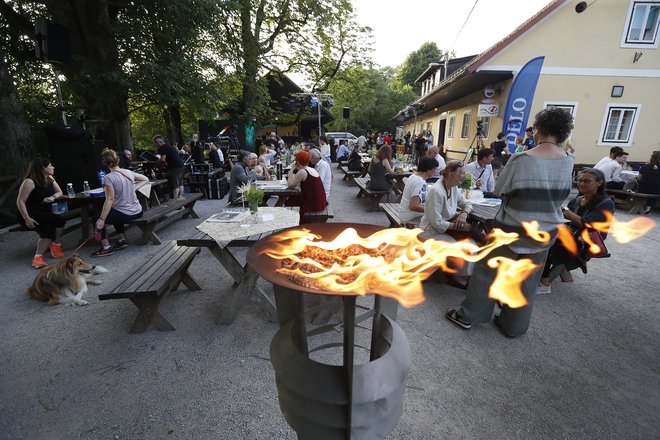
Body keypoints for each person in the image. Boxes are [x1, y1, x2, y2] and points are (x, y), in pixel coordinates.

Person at [446, 106, 575, 337]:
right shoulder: (568, 160)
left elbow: (500, 189)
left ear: (539, 128)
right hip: (545, 233)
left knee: (487, 274)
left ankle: (469, 316)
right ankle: (513, 325)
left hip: (511, 230)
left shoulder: (522, 158)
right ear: (563, 132)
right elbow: (563, 194)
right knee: (526, 281)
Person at [538, 168, 615, 293]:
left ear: (599, 183)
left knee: (548, 241)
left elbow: (588, 225)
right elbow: (565, 219)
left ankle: (545, 282)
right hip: (572, 236)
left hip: (586, 244)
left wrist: (565, 212)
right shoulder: (579, 199)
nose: (581, 184)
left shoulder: (606, 203)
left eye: (587, 181)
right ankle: (535, 273)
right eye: (579, 180)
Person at [419, 160, 475, 283]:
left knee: (472, 245)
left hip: (445, 230)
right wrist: (458, 226)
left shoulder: (453, 188)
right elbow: (437, 223)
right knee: (463, 247)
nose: (464, 176)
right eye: (461, 173)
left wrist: (464, 214)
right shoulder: (437, 191)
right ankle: (457, 275)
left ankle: (460, 274)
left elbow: (467, 203)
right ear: (450, 173)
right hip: (430, 232)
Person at [92, 149, 149, 257]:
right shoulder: (128, 172)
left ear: (104, 163)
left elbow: (109, 199)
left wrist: (101, 219)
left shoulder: (108, 178)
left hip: (126, 214)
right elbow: (145, 179)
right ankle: (121, 240)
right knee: (114, 211)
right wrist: (134, 188)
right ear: (118, 160)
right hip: (138, 211)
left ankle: (106, 247)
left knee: (96, 218)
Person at [16, 158, 66, 268]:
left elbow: (59, 192)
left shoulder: (50, 178)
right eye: (50, 165)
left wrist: (52, 197)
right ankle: (55, 245)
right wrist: (27, 218)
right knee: (60, 220)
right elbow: (20, 201)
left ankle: (38, 257)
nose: (53, 167)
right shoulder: (29, 182)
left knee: (48, 229)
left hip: (44, 215)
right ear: (43, 168)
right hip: (30, 214)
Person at [286, 150, 327, 224]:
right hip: (321, 202)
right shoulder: (312, 169)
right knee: (293, 198)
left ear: (297, 162)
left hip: (313, 205)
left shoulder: (302, 172)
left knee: (288, 200)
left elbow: (290, 185)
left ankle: (298, 223)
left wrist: (291, 169)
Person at [398, 156, 438, 225]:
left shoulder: (413, 176)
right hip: (410, 218)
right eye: (434, 169)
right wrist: (430, 210)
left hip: (404, 214)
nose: (436, 171)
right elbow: (413, 206)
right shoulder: (420, 183)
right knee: (438, 221)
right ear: (428, 170)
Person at [153, 135, 185, 199]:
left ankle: (175, 203)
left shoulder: (163, 148)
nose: (155, 144)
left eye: (155, 143)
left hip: (175, 168)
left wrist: (155, 162)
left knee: (175, 185)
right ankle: (181, 201)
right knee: (180, 184)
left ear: (160, 142)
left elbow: (162, 160)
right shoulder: (169, 146)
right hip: (181, 166)